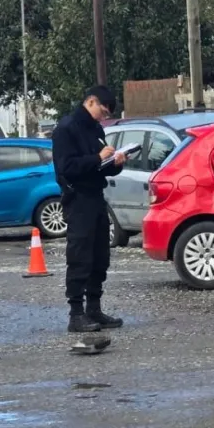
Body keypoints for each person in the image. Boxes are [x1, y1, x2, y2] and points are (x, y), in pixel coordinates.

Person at [52, 86, 128, 333]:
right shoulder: (66, 128)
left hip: (96, 197)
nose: (103, 118)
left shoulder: (95, 129)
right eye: (103, 111)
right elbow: (66, 168)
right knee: (80, 256)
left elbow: (100, 167)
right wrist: (97, 158)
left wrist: (114, 164)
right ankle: (76, 314)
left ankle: (94, 309)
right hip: (77, 199)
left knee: (99, 256)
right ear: (91, 102)